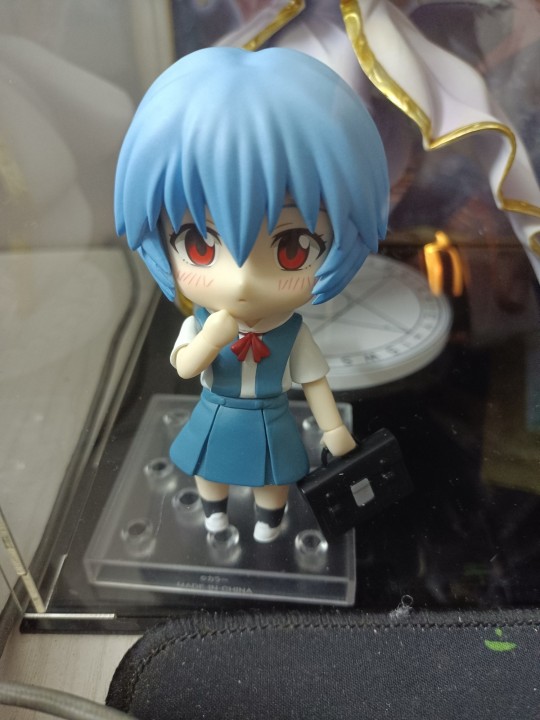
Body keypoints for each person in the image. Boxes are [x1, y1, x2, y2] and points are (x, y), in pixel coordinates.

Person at [115, 47, 389, 542]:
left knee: (273, 476)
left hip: (270, 417)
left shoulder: (291, 332)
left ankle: (268, 523)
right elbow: (185, 368)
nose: (242, 281)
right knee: (207, 466)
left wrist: (333, 430)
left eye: (292, 248)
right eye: (199, 246)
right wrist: (209, 338)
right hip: (216, 413)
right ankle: (214, 513)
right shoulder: (201, 322)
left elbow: (314, 383)